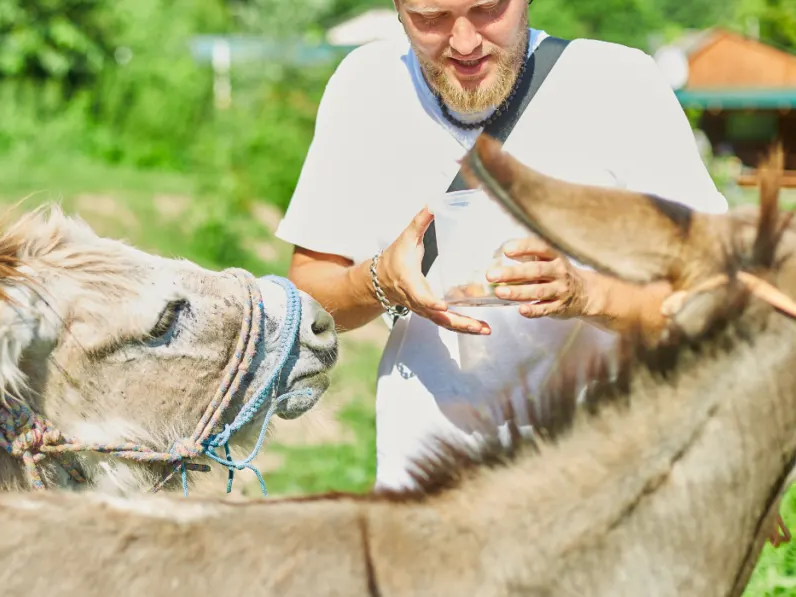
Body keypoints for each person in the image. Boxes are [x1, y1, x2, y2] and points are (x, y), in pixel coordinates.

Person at [273, 0, 730, 492]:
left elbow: (718, 297)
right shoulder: (364, 86)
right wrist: (380, 281)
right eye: (431, 19)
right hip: (427, 483)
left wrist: (587, 295)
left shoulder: (619, 83)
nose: (465, 43)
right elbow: (311, 298)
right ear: (398, 9)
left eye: (488, 10)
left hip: (605, 481)